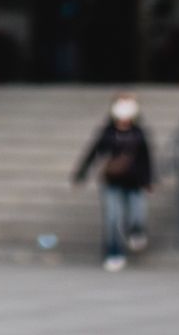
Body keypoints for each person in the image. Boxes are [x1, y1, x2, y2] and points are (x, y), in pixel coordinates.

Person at [70, 91, 153, 272]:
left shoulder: (138, 132)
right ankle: (114, 252)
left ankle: (136, 232)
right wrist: (81, 173)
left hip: (135, 182)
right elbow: (93, 152)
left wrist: (148, 180)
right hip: (113, 181)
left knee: (136, 214)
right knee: (112, 218)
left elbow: (146, 157)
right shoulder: (108, 132)